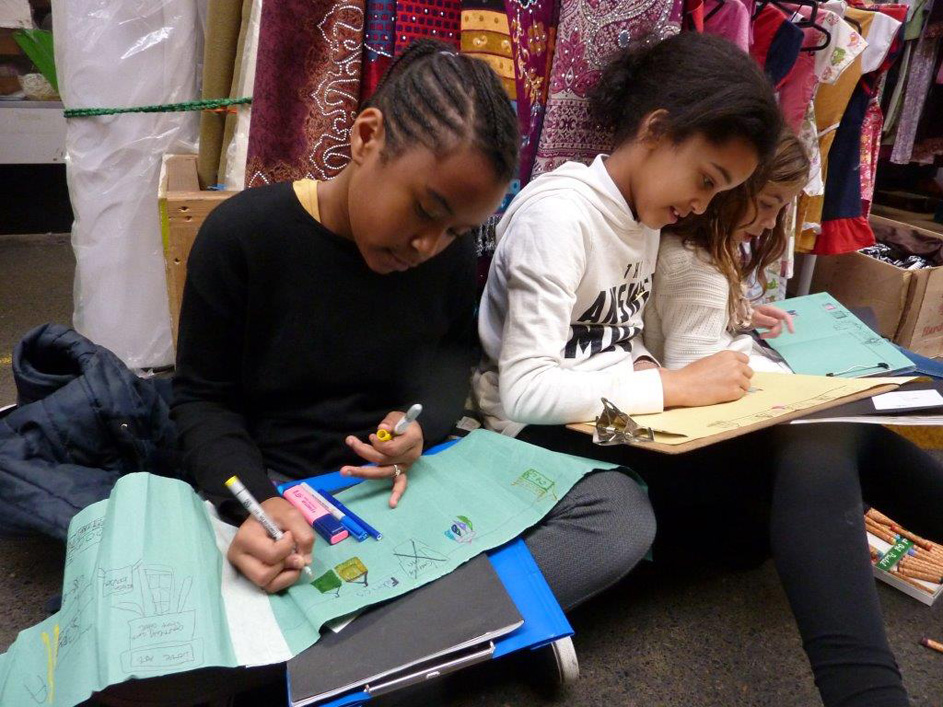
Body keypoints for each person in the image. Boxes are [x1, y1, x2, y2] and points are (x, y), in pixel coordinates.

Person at [474, 33, 943, 707]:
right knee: (812, 445)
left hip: (615, 417)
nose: (702, 205)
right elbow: (523, 389)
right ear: (656, 130)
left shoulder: (637, 218)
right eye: (705, 181)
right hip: (540, 434)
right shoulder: (559, 215)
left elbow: (615, 340)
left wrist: (677, 377)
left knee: (832, 431)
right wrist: (670, 385)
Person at [172, 39, 654, 614]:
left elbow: (450, 369)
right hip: (282, 487)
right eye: (426, 211)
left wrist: (419, 426)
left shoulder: (443, 253)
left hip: (410, 481)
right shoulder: (242, 236)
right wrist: (257, 503)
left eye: (456, 231)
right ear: (365, 136)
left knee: (617, 509)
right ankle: (460, 624)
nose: (429, 246)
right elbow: (202, 402)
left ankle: (409, 630)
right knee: (219, 587)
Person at [644, 130, 808, 370]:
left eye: (780, 210)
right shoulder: (698, 271)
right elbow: (694, 375)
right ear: (730, 189)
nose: (772, 222)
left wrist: (739, 315)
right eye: (766, 204)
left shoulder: (695, 250)